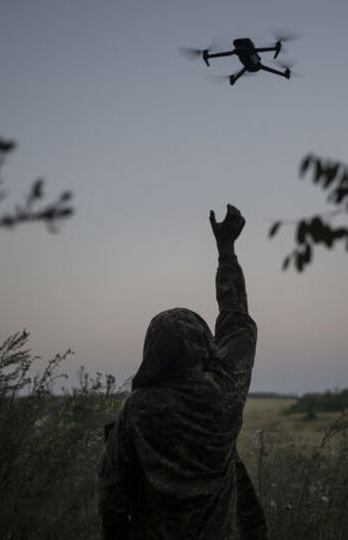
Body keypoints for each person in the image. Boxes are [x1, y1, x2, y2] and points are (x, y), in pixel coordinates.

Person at [98, 204, 268, 539]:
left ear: (152, 351)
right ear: (205, 347)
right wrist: (226, 251)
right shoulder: (224, 394)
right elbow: (236, 322)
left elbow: (111, 493)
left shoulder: (137, 410)